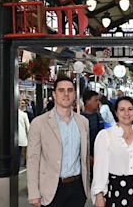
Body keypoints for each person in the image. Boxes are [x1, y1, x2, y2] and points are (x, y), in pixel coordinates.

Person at [27, 77, 90, 207]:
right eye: (61, 90)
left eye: (70, 90)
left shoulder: (83, 122)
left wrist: (87, 188)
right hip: (51, 189)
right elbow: (33, 160)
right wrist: (34, 193)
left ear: (74, 95)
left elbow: (84, 157)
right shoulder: (39, 123)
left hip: (77, 188)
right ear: (54, 95)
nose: (66, 94)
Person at [91, 96, 133, 207]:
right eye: (122, 110)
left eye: (130, 109)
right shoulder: (105, 135)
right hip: (115, 191)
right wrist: (99, 195)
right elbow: (99, 169)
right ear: (116, 113)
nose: (126, 113)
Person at [81, 90, 105, 181]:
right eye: (95, 100)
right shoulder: (81, 119)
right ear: (87, 101)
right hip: (87, 158)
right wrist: (88, 156)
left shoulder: (99, 116)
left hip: (99, 156)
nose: (98, 103)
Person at [18, 98, 30, 169]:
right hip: (21, 138)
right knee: (19, 154)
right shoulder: (24, 114)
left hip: (10, 139)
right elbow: (28, 127)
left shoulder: (8, 113)